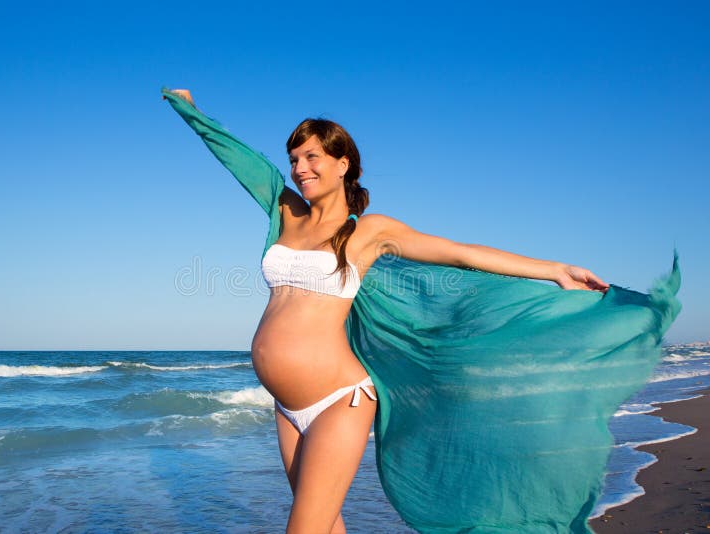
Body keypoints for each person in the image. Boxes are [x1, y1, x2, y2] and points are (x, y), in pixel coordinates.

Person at [162, 88, 681, 534]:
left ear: (344, 163)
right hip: (285, 406)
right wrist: (191, 111)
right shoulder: (284, 211)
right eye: (295, 158)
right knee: (320, 520)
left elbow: (462, 253)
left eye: (313, 157)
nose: (300, 169)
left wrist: (554, 269)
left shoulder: (371, 231)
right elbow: (239, 158)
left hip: (337, 402)